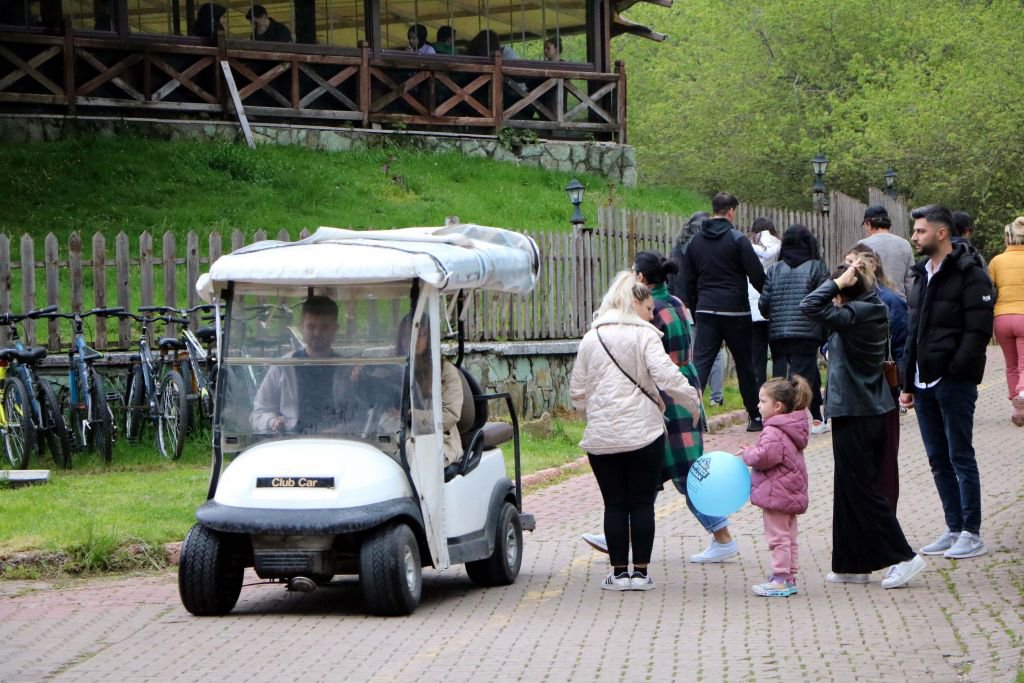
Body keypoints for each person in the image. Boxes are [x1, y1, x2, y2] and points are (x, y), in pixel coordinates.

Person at [582, 253, 740, 564]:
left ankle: (722, 535)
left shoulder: (645, 309)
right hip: (682, 384)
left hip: (666, 392)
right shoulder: (677, 302)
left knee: (685, 472)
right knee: (649, 471)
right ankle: (622, 531)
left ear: (639, 278)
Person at [570, 271, 701, 591]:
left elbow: (576, 393)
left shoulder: (591, 338)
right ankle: (640, 574)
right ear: (635, 302)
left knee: (614, 504)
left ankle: (617, 574)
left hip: (601, 438)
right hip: (644, 433)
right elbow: (668, 377)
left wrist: (592, 412)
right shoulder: (645, 336)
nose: (653, 314)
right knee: (641, 503)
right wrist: (693, 402)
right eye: (649, 308)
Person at [801, 260, 926, 589]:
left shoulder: (860, 314)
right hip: (852, 410)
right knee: (847, 490)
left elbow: (809, 305)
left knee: (862, 491)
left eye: (838, 289)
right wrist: (842, 285)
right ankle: (852, 562)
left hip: (861, 411)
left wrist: (837, 283)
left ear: (844, 291)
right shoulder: (864, 308)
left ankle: (904, 557)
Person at [900, 205, 995, 560]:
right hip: (923, 382)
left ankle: (972, 532)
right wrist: (908, 380)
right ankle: (953, 527)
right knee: (937, 458)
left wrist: (956, 369)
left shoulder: (971, 274)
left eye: (921, 231)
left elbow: (978, 330)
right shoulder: (922, 273)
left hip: (953, 381)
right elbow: (914, 329)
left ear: (941, 233)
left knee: (960, 455)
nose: (914, 237)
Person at [682, 192, 767, 431]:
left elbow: (688, 279)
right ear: (731, 212)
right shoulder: (738, 240)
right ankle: (755, 416)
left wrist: (698, 305)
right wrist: (767, 299)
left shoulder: (695, 242)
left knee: (701, 363)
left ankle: (690, 416)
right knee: (745, 365)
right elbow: (757, 275)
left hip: (706, 310)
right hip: (736, 311)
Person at [846, 243, 908, 511]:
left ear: (871, 266)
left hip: (882, 386)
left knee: (883, 459)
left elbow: (901, 345)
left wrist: (903, 386)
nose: (847, 272)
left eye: (853, 265)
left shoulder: (890, 301)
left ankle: (885, 514)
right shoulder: (844, 302)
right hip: (852, 390)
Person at [739, 375, 811, 597]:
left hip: (776, 493)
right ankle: (788, 576)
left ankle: (780, 578)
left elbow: (765, 457)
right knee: (789, 536)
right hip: (789, 491)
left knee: (777, 537)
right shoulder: (791, 428)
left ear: (777, 406)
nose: (758, 405)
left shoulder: (773, 430)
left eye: (762, 401)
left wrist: (748, 454)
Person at [759, 224, 829, 431]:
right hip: (807, 331)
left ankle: (816, 415)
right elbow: (825, 299)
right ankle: (793, 421)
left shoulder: (774, 269)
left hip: (778, 332)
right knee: (802, 377)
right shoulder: (817, 267)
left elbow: (764, 303)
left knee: (794, 374)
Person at [250, 296, 351, 433]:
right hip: (291, 443)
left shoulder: (347, 369)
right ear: (301, 327)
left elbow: (362, 415)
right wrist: (272, 421)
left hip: (339, 443)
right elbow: (259, 412)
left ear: (335, 329)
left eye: (324, 327)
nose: (317, 333)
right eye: (311, 326)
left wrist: (341, 429)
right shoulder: (283, 367)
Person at [669, 210, 726, 406]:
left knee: (689, 353)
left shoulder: (678, 250)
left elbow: (671, 279)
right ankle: (715, 397)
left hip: (682, 306)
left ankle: (692, 395)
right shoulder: (708, 248)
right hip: (707, 304)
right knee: (715, 352)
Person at [988, 216, 1024, 426]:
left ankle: (1017, 409)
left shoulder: (996, 261)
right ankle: (1022, 393)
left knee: (1011, 365)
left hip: (1002, 318)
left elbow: (990, 290)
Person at [748, 217, 780, 388]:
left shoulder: (747, 245)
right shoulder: (780, 245)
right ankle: (778, 391)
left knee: (757, 355)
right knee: (778, 354)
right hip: (774, 305)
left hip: (753, 306)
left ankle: (759, 393)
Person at [858, 205, 915, 298]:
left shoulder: (862, 245)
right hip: (899, 304)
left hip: (871, 304)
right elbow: (910, 282)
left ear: (868, 223)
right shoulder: (905, 244)